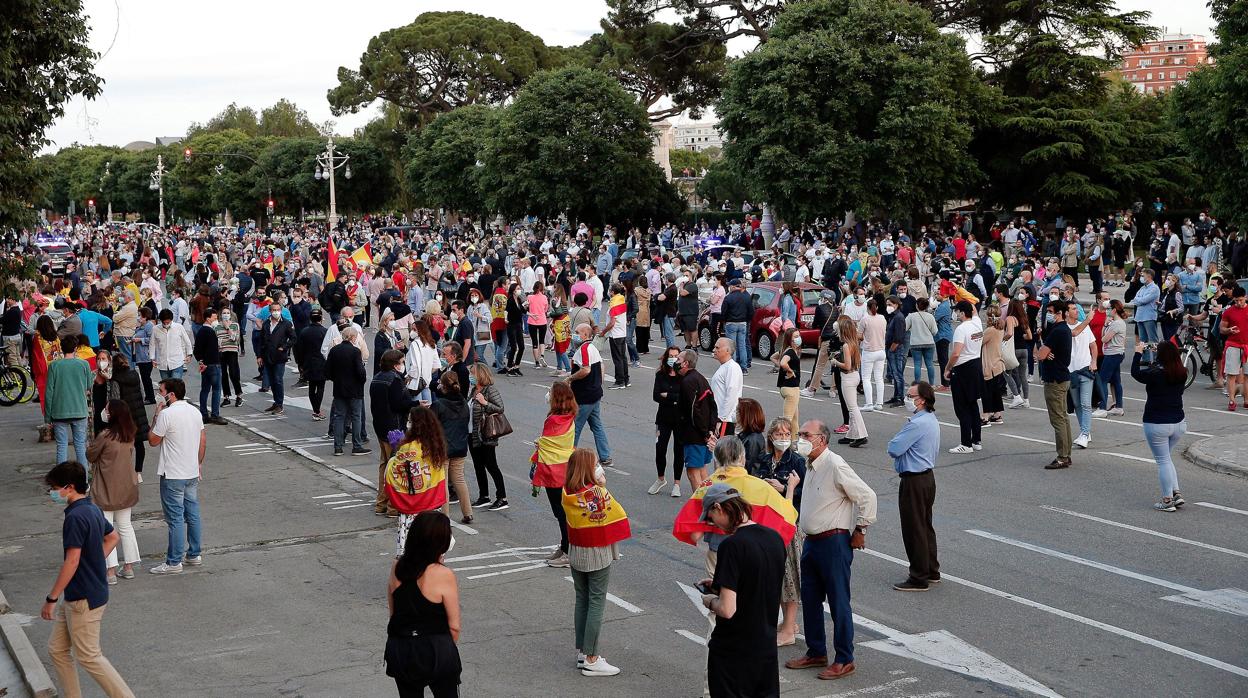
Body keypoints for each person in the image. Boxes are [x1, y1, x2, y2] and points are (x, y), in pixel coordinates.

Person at [786, 419, 877, 681]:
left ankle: (845, 658)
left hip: (833, 542)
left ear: (822, 440)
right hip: (812, 541)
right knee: (811, 600)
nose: (800, 438)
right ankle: (816, 651)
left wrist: (861, 529)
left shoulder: (834, 464)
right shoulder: (810, 464)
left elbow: (867, 496)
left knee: (838, 602)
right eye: (800, 433)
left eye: (806, 434)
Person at [41, 460, 136, 698]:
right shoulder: (92, 508)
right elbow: (112, 537)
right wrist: (93, 561)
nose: (53, 493)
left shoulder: (74, 518)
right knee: (57, 650)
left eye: (54, 488)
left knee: (89, 656)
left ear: (69, 487)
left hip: (83, 597)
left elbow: (72, 561)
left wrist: (51, 598)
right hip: (82, 593)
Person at [698, 482, 786, 698]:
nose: (714, 525)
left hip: (734, 650)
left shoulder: (732, 545)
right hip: (765, 647)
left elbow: (728, 609)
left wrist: (709, 600)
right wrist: (720, 583)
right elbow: (759, 582)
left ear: (719, 508)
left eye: (710, 518)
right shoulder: (774, 538)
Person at [563, 448, 631, 677]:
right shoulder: (596, 493)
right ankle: (592, 657)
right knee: (596, 602)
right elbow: (616, 512)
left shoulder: (568, 491)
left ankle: (583, 651)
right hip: (595, 553)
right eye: (594, 464)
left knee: (581, 599)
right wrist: (602, 482)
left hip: (576, 550)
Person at [385, 511, 462, 697]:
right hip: (435, 649)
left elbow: (394, 611)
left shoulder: (397, 566)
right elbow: (454, 627)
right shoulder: (443, 574)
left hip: (400, 648)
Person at [749, 417, 805, 646]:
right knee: (777, 577)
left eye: (786, 434)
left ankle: (789, 629)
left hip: (788, 525)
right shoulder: (764, 459)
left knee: (789, 576)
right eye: (778, 434)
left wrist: (785, 488)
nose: (783, 438)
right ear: (771, 437)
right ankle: (787, 623)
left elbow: (807, 491)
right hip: (767, 524)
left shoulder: (797, 461)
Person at [147, 378, 206, 575]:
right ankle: (194, 553)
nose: (159, 394)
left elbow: (153, 440)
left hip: (173, 472)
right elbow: (202, 440)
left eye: (161, 390)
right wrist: (198, 463)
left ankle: (173, 561)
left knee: (175, 518)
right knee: (192, 513)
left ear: (170, 394)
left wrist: (156, 414)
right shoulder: (195, 412)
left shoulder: (166, 414)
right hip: (190, 470)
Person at [886, 382, 941, 591]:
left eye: (911, 395)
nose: (908, 399)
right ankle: (931, 568)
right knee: (925, 525)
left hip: (914, 480)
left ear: (922, 399)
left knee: (914, 528)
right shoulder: (929, 420)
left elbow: (894, 448)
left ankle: (919, 576)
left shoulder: (917, 424)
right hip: (926, 478)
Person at [87, 400, 141, 584]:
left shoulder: (105, 436)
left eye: (107, 409)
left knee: (106, 530)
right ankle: (129, 566)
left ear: (112, 415)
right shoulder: (129, 434)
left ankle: (110, 571)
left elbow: (91, 455)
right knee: (125, 526)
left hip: (105, 488)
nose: (105, 412)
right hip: (126, 487)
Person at [385, 407, 451, 557]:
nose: (407, 423)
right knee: (431, 546)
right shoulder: (437, 446)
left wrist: (395, 453)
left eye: (410, 420)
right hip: (433, 505)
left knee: (411, 547)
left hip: (412, 510)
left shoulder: (408, 449)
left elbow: (393, 474)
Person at [1133, 340, 1189, 511]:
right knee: (1166, 458)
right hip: (1178, 423)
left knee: (1163, 461)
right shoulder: (1182, 372)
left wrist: (1138, 352)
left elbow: (1135, 373)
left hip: (1157, 423)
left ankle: (1166, 501)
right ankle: (1176, 493)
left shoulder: (1155, 374)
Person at [532, 382, 578, 568]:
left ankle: (568, 552)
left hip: (554, 470)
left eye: (550, 392)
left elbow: (548, 442)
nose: (548, 394)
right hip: (565, 468)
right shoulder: (569, 417)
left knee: (561, 513)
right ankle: (564, 546)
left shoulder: (553, 420)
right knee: (563, 513)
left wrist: (539, 442)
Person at [370, 349, 413, 517]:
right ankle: (392, 506)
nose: (403, 365)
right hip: (394, 428)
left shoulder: (377, 377)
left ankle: (381, 502)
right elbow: (398, 404)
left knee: (385, 465)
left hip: (380, 426)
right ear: (395, 364)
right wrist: (413, 403)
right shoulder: (394, 380)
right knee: (395, 467)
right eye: (402, 362)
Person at [431, 372, 473, 524]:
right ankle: (468, 512)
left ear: (443, 386)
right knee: (459, 479)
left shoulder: (439, 404)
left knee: (443, 482)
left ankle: (445, 515)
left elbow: (432, 425)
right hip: (460, 446)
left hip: (443, 448)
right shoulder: (462, 401)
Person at [1037, 300, 1074, 469]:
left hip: (1055, 380)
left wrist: (1045, 351)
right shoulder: (1064, 329)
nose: (1049, 314)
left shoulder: (1058, 331)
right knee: (1063, 417)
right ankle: (1066, 453)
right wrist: (1047, 351)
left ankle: (1062, 456)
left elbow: (1041, 354)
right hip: (1062, 377)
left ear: (1059, 312)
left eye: (1051, 311)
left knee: (1058, 418)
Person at [47, 335, 94, 465]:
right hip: (79, 410)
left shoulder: (54, 366)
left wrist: (47, 416)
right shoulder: (84, 364)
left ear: (61, 349)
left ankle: (61, 482)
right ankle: (83, 482)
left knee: (61, 446)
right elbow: (89, 386)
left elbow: (49, 392)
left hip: (59, 411)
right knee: (80, 446)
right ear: (75, 348)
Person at [468, 363, 508, 511]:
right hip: (473, 434)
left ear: (479, 375)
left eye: (472, 373)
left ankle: (502, 497)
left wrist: (484, 403)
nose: (470, 376)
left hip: (487, 434)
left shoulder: (490, 390)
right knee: (478, 466)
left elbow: (500, 408)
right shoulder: (473, 390)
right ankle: (484, 496)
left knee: (491, 465)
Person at [944, 301, 983, 454]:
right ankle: (976, 440)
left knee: (962, 407)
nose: (956, 314)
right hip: (975, 364)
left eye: (958, 311)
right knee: (972, 404)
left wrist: (948, 368)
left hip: (963, 368)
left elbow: (956, 353)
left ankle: (965, 443)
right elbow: (974, 309)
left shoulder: (961, 329)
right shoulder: (977, 324)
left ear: (962, 312)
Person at [570, 323, 611, 465]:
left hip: (584, 397)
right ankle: (605, 456)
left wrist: (570, 378)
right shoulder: (593, 347)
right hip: (594, 395)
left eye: (577, 332)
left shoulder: (585, 349)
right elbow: (601, 366)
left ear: (585, 335)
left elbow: (586, 370)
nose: (574, 335)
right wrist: (598, 385)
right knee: (597, 425)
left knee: (575, 427)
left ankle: (570, 454)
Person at [327, 325, 371, 457]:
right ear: (352, 337)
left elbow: (327, 371)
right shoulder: (355, 352)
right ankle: (356, 445)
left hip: (339, 388)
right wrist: (361, 380)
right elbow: (360, 372)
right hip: (355, 389)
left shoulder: (334, 350)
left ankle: (338, 446)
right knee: (356, 417)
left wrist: (336, 379)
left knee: (339, 417)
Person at [677, 349, 716, 492]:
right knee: (702, 470)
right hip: (704, 433)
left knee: (693, 473)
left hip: (694, 436)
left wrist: (705, 433)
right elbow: (713, 406)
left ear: (685, 363)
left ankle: (702, 507)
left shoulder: (688, 381)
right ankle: (710, 504)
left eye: (678, 360)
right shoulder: (701, 379)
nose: (675, 362)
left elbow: (693, 412)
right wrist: (710, 430)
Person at [106, 354, 150, 480]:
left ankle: (126, 470)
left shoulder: (115, 379)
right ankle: (138, 472)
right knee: (139, 444)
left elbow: (115, 399)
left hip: (124, 416)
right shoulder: (135, 375)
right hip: (138, 413)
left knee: (125, 444)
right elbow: (141, 393)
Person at [649, 345, 686, 497]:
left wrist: (668, 396)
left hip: (680, 419)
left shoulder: (683, 376)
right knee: (660, 449)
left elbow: (683, 397)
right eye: (670, 356)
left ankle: (677, 483)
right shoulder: (661, 374)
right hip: (663, 418)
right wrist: (673, 397)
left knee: (679, 451)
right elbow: (656, 395)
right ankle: (660, 478)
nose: (673, 359)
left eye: (676, 356)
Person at [829, 317, 867, 447]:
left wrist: (835, 362)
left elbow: (847, 365)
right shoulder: (854, 342)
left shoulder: (846, 345)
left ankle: (862, 435)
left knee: (852, 408)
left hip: (848, 377)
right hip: (855, 375)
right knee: (852, 407)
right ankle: (851, 434)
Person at [1066, 302, 1098, 449]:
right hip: (1070, 372)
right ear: (1066, 313)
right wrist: (1088, 320)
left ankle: (1084, 434)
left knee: (1085, 404)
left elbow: (1093, 345)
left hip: (1085, 370)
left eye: (1077, 308)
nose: (1077, 311)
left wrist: (1094, 361)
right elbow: (1074, 333)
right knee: (1077, 404)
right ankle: (1085, 431)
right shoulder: (1065, 327)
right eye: (1073, 309)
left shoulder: (1084, 326)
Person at [258, 299, 296, 415]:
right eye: (274, 310)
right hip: (267, 356)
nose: (276, 312)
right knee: (272, 381)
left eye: (278, 310)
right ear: (270, 311)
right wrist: (259, 356)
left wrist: (284, 347)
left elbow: (293, 338)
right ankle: (276, 402)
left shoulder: (286, 324)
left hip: (279, 357)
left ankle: (280, 404)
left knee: (278, 380)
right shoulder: (266, 324)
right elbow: (261, 340)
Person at [1093, 300, 1128, 417]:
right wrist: (1105, 325)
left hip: (1113, 354)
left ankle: (1102, 407)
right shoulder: (1114, 322)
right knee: (1116, 380)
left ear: (1114, 310)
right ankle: (1119, 407)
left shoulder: (1117, 323)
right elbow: (1103, 334)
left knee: (1102, 380)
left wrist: (1106, 326)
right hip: (1113, 353)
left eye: (1109, 309)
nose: (1107, 311)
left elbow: (1104, 339)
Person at [193, 306, 227, 425]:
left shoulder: (201, 331)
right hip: (213, 364)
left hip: (205, 364)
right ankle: (215, 415)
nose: (216, 320)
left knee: (205, 389)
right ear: (208, 319)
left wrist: (201, 361)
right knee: (216, 389)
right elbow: (211, 350)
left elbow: (197, 350)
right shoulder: (210, 331)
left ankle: (203, 414)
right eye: (214, 318)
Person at [295, 308, 329, 420]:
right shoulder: (324, 331)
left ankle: (315, 410)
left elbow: (299, 349)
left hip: (308, 362)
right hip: (321, 362)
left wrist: (300, 363)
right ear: (321, 318)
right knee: (320, 387)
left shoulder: (304, 331)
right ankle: (317, 410)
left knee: (311, 387)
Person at [1219, 286, 1248, 411]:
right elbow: (1222, 329)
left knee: (1247, 375)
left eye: (1241, 300)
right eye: (1236, 301)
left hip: (1247, 346)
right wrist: (1229, 330)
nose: (1239, 303)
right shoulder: (1229, 311)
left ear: (1245, 298)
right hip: (1233, 345)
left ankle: (1246, 400)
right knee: (1231, 374)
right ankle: (1232, 400)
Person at [710, 337, 743, 438]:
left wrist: (721, 418)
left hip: (725, 419)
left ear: (727, 351)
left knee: (723, 451)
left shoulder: (732, 368)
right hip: (720, 417)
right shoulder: (725, 367)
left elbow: (731, 394)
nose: (714, 350)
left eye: (717, 347)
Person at [773, 327, 803, 435]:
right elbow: (782, 363)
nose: (798, 338)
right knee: (787, 420)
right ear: (789, 339)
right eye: (795, 336)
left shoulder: (785, 350)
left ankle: (794, 441)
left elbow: (773, 357)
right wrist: (790, 370)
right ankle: (780, 439)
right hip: (791, 388)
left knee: (794, 418)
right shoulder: (790, 352)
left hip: (785, 387)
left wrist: (784, 368)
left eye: (798, 335)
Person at [858, 299, 887, 411]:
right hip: (881, 350)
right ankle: (879, 403)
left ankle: (869, 404)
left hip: (869, 351)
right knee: (879, 378)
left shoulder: (865, 319)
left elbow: (859, 336)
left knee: (866, 378)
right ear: (877, 307)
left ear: (867, 308)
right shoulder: (882, 318)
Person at [980, 307, 1006, 425]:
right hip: (998, 363)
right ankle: (997, 414)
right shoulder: (1000, 329)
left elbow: (979, 342)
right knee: (995, 391)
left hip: (989, 365)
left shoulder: (990, 330)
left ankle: (985, 416)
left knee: (987, 391)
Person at [721, 279, 753, 373]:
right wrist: (746, 320)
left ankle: (732, 367)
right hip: (743, 323)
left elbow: (723, 312)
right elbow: (751, 311)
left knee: (732, 346)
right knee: (742, 345)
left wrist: (724, 320)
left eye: (730, 286)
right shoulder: (746, 297)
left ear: (733, 286)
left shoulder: (728, 298)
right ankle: (744, 367)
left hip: (731, 323)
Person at [152, 308, 194, 380]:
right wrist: (152, 358)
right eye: (164, 323)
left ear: (171, 320)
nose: (166, 324)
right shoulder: (155, 329)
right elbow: (152, 344)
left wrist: (189, 355)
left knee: (176, 386)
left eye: (168, 322)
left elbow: (187, 342)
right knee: (166, 387)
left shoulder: (179, 327)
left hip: (177, 362)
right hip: (162, 363)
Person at [602, 283, 630, 389]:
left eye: (610, 291)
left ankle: (620, 381)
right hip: (622, 332)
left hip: (615, 334)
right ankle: (626, 379)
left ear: (612, 292)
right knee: (623, 357)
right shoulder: (621, 299)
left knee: (617, 358)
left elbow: (612, 322)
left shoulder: (614, 303)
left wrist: (603, 332)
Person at [906, 298, 938, 386]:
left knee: (917, 364)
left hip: (915, 343)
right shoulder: (930, 317)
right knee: (930, 364)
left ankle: (917, 384)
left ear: (916, 305)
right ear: (927, 306)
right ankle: (932, 384)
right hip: (929, 342)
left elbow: (905, 328)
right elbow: (935, 331)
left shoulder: (911, 316)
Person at [216, 305, 243, 409]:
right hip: (221, 352)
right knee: (223, 375)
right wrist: (222, 341)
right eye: (224, 313)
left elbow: (235, 339)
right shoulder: (217, 326)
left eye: (227, 313)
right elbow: (217, 339)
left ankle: (239, 395)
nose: (226, 315)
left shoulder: (235, 325)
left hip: (232, 351)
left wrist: (227, 328)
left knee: (233, 373)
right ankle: (226, 397)